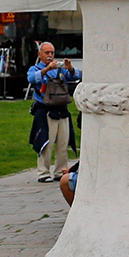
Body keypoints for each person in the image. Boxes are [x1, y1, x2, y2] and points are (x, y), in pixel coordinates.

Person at [25, 43, 80, 183]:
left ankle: (60, 172)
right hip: (45, 111)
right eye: (47, 52)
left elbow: (76, 76)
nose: (50, 55)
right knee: (46, 143)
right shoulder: (35, 68)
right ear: (40, 54)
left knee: (63, 142)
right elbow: (31, 79)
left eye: (52, 52)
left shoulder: (61, 69)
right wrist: (47, 69)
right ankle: (43, 172)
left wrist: (70, 68)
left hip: (62, 110)